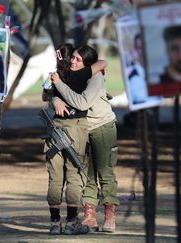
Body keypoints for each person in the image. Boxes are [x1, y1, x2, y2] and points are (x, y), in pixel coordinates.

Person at [50, 45, 119, 233]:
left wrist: (59, 86)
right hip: (82, 128)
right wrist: (55, 99)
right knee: (85, 171)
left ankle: (109, 214)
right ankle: (89, 215)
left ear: (88, 64)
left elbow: (81, 102)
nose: (72, 61)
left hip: (102, 126)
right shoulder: (71, 75)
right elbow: (53, 93)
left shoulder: (95, 78)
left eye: (78, 59)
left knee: (105, 171)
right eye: (72, 57)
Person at [127, 33, 148, 104]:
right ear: (135, 50)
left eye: (144, 47)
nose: (142, 51)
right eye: (139, 48)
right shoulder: (132, 76)